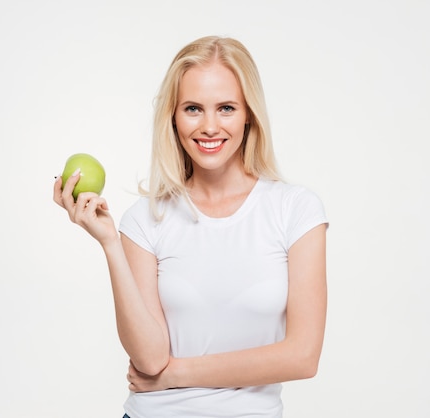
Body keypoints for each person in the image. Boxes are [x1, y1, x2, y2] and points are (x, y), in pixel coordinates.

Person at [53, 35, 328, 418]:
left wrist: (177, 373)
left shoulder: (296, 210)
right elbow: (149, 360)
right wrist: (110, 244)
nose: (210, 126)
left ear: (249, 113)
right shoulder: (145, 219)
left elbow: (302, 357)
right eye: (194, 108)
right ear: (174, 116)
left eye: (227, 108)